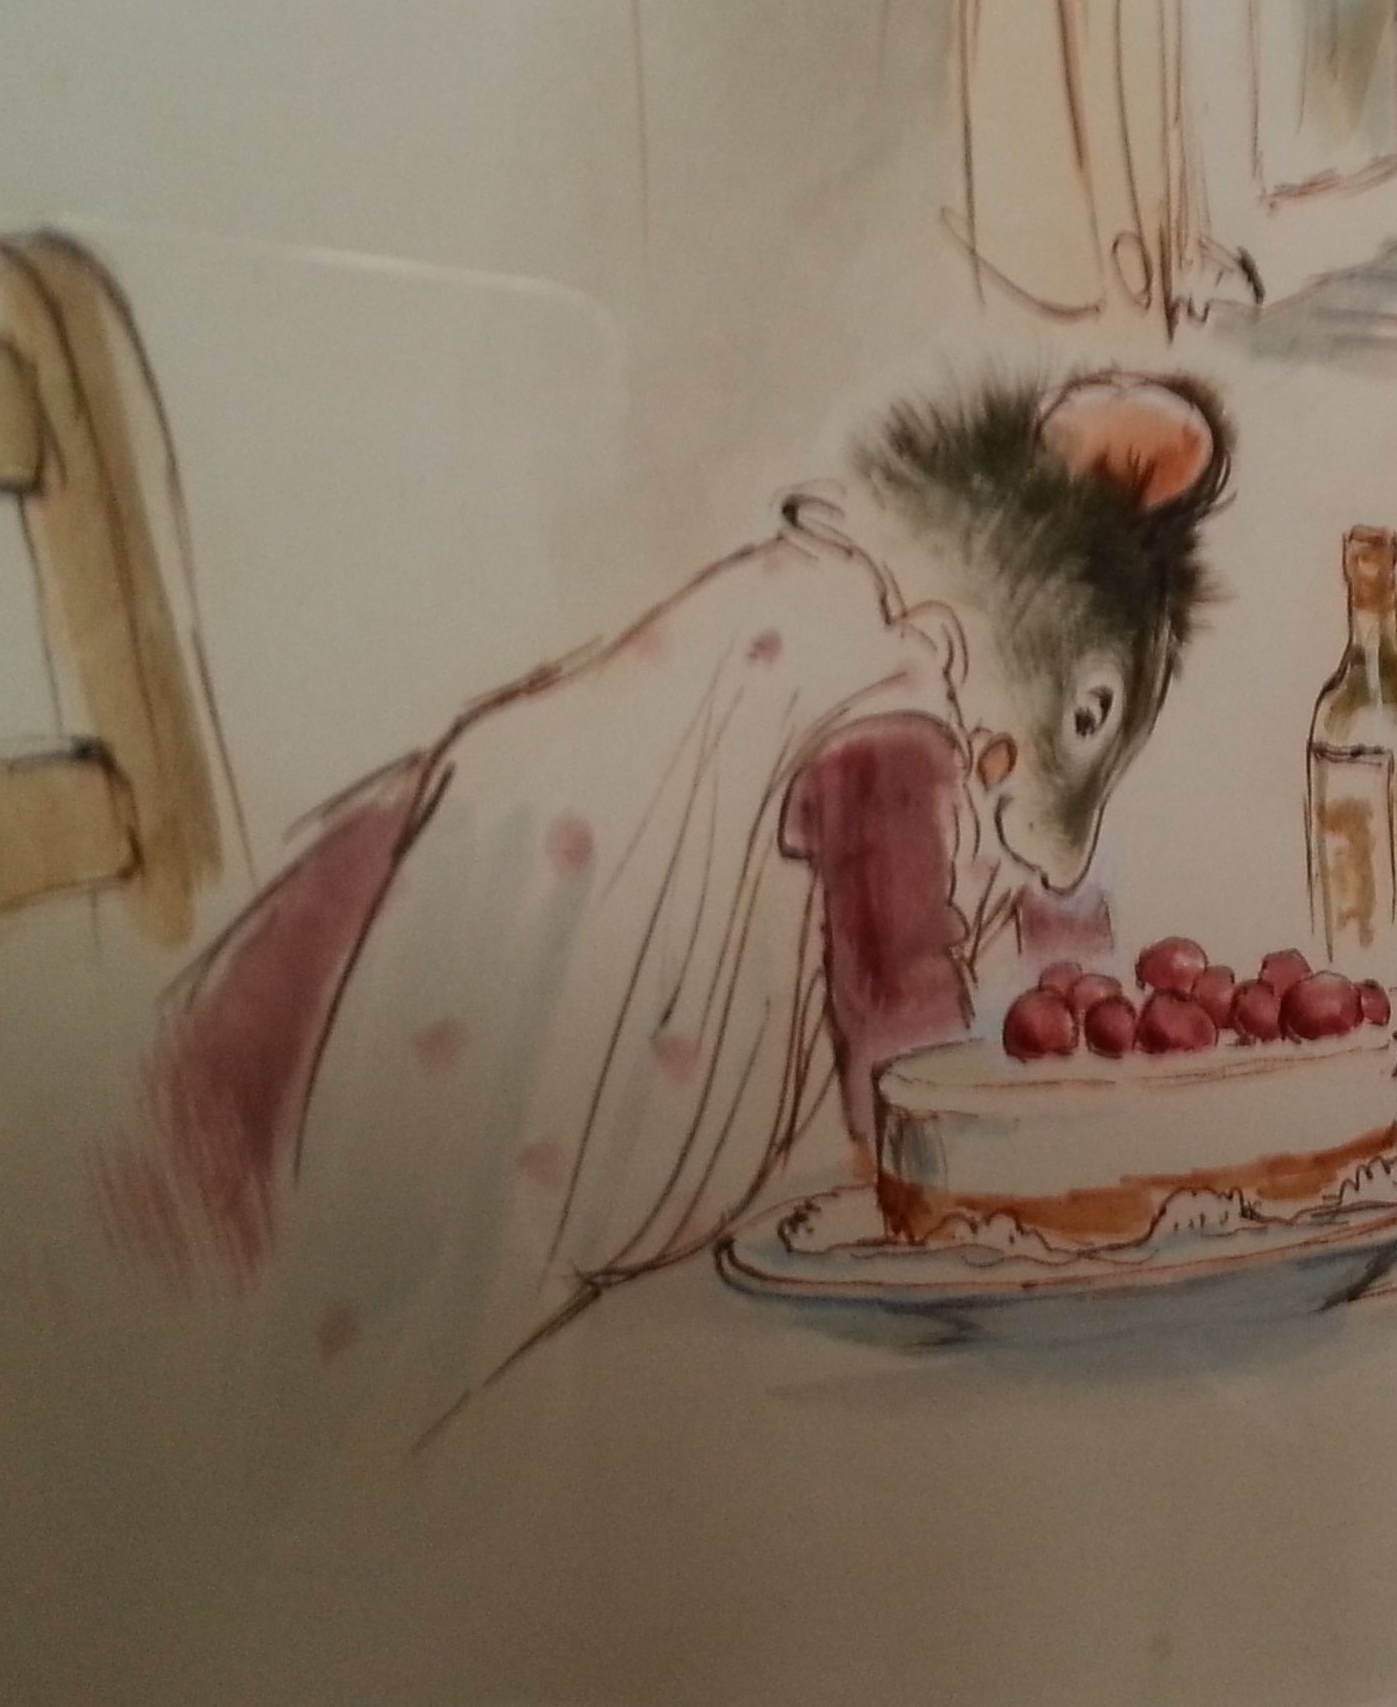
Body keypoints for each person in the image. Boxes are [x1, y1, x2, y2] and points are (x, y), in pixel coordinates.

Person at [100, 370, 1230, 1436]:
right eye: (1087, 716)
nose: (1055, 847)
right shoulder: (885, 698)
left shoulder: (815, 609)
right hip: (433, 1067)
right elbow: (902, 1035)